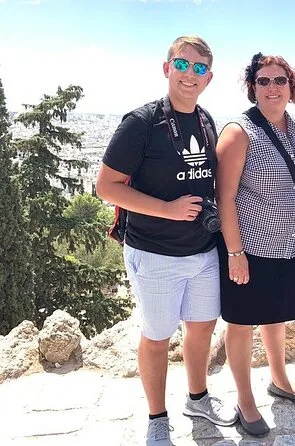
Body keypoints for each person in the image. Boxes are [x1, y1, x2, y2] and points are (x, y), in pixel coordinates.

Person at [96, 36, 237, 446]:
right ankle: (157, 417)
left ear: (208, 78)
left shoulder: (206, 120)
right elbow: (106, 187)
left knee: (202, 328)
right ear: (166, 68)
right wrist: (167, 209)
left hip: (202, 250)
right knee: (157, 337)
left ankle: (198, 398)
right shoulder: (140, 123)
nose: (190, 74)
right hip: (154, 252)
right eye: (182, 64)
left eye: (199, 68)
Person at [215, 53, 295, 437]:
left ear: (291, 87)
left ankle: (279, 379)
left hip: (289, 245)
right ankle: (245, 399)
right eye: (264, 81)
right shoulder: (239, 132)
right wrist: (235, 252)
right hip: (250, 247)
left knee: (276, 317)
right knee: (242, 322)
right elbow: (224, 197)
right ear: (252, 87)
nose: (272, 87)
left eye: (280, 80)